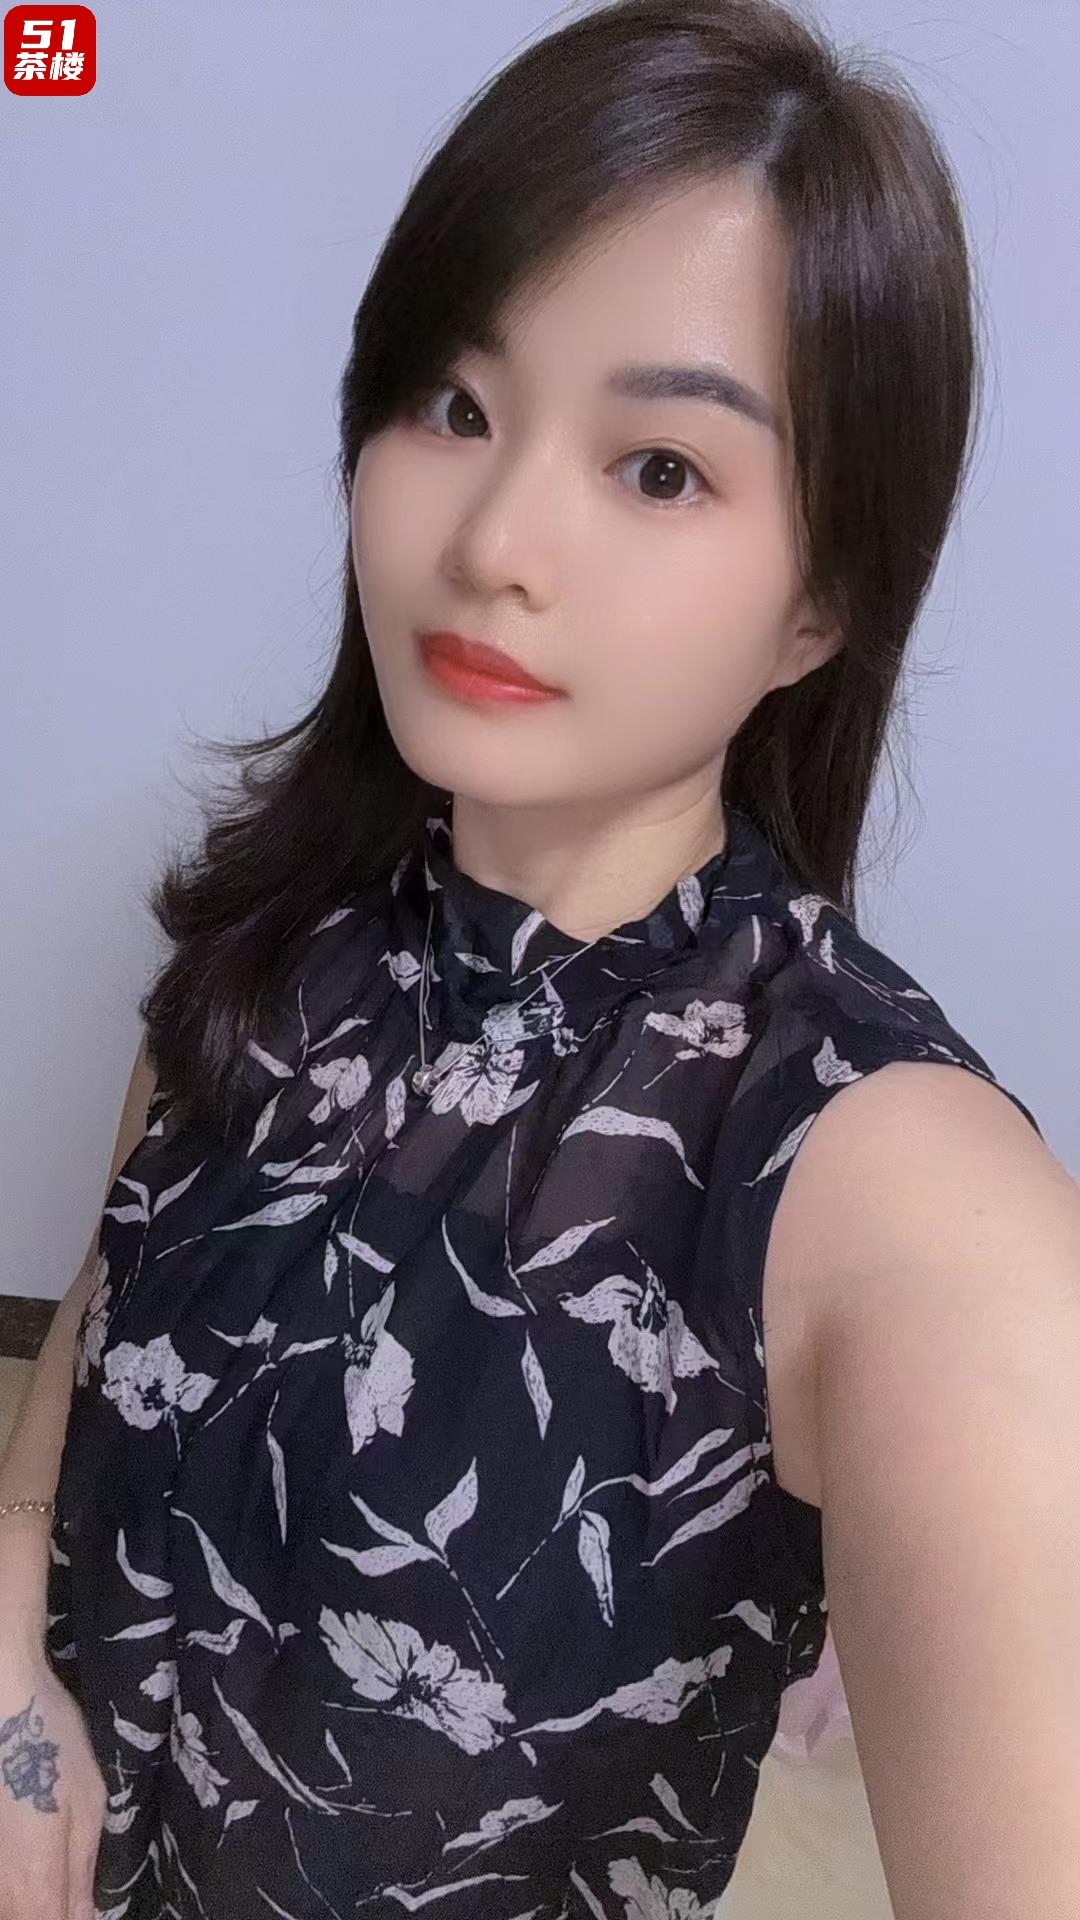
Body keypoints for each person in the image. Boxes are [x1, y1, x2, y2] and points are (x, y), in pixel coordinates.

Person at [2, 0, 1078, 1915]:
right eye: (455, 406)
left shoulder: (888, 1183)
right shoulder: (269, 933)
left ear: (826, 597)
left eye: (660, 469)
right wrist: (16, 1690)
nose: (496, 539)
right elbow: (66, 1408)